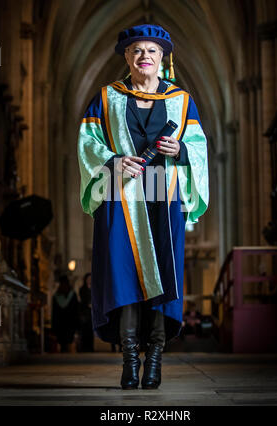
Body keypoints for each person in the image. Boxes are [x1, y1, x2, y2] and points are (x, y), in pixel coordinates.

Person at [77, 24, 209, 389]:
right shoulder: (106, 99)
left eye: (152, 50)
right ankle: (129, 360)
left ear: (163, 57)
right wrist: (113, 161)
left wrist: (180, 150)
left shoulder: (182, 101)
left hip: (164, 199)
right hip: (120, 198)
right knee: (125, 278)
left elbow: (198, 146)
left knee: (163, 277)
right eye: (136, 50)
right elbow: (88, 143)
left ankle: (154, 360)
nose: (144, 56)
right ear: (126, 57)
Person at [51, 274, 80, 353]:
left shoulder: (56, 296)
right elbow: (76, 310)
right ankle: (67, 352)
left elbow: (54, 312)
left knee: (63, 341)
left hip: (61, 323)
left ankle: (64, 351)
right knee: (68, 341)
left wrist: (54, 325)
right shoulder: (72, 295)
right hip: (70, 322)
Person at [79, 273, 95, 352]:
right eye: (88, 279)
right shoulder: (82, 289)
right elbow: (82, 300)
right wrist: (88, 304)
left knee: (91, 331)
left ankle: (91, 348)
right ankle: (84, 348)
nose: (89, 280)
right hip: (85, 312)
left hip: (92, 312)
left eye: (90, 279)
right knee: (85, 331)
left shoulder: (94, 289)